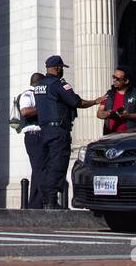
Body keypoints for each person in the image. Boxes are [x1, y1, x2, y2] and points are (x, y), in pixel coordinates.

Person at [34, 55, 102, 209]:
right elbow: (77, 102)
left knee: (46, 165)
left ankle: (45, 199)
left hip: (43, 131)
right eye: (61, 68)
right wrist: (95, 101)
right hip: (58, 131)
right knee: (58, 164)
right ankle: (51, 200)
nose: (62, 71)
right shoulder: (59, 84)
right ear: (57, 67)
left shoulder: (39, 86)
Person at [13, 72, 48, 208]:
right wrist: (44, 108)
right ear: (39, 83)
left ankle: (36, 203)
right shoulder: (29, 94)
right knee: (40, 169)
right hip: (34, 135)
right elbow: (25, 112)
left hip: (41, 134)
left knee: (40, 169)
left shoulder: (39, 94)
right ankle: (42, 200)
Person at [97, 68, 136, 135]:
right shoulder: (109, 94)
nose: (114, 80)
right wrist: (108, 114)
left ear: (126, 81)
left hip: (131, 136)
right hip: (110, 136)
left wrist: (129, 116)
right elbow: (99, 113)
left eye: (117, 79)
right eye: (113, 77)